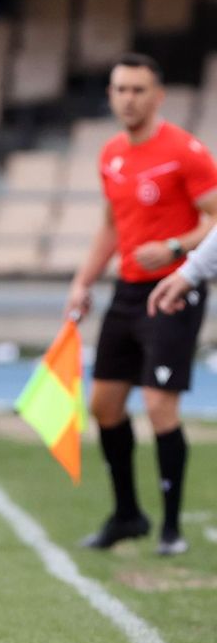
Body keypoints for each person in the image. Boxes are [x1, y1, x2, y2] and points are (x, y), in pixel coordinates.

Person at [67, 53, 217, 557]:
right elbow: (112, 224)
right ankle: (127, 514)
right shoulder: (111, 154)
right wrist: (84, 280)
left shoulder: (185, 152)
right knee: (104, 405)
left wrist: (176, 248)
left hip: (176, 287)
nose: (128, 99)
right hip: (127, 291)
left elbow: (214, 219)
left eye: (137, 90)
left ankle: (171, 528)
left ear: (158, 96)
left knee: (158, 404)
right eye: (120, 90)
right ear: (110, 95)